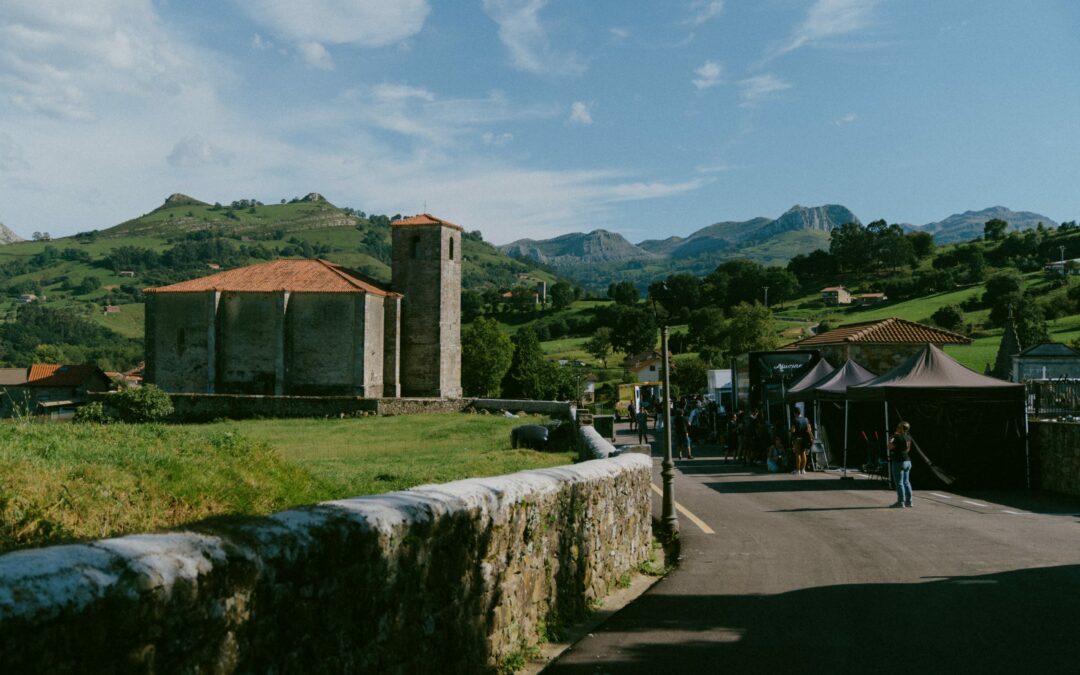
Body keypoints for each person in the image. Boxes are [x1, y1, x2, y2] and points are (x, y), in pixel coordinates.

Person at [888, 421, 914, 508]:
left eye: (898, 427)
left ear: (901, 428)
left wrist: (891, 438)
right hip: (907, 461)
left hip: (898, 461)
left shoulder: (896, 437)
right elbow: (908, 449)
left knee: (899, 483)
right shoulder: (908, 437)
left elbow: (889, 447)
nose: (897, 428)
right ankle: (909, 502)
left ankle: (900, 502)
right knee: (906, 482)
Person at [790, 406, 813, 475]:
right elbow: (809, 429)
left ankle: (798, 470)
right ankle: (803, 470)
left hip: (797, 439)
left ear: (795, 413)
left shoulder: (795, 420)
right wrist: (812, 437)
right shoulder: (806, 419)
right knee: (803, 454)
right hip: (805, 439)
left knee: (798, 454)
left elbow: (793, 430)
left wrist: (791, 430)